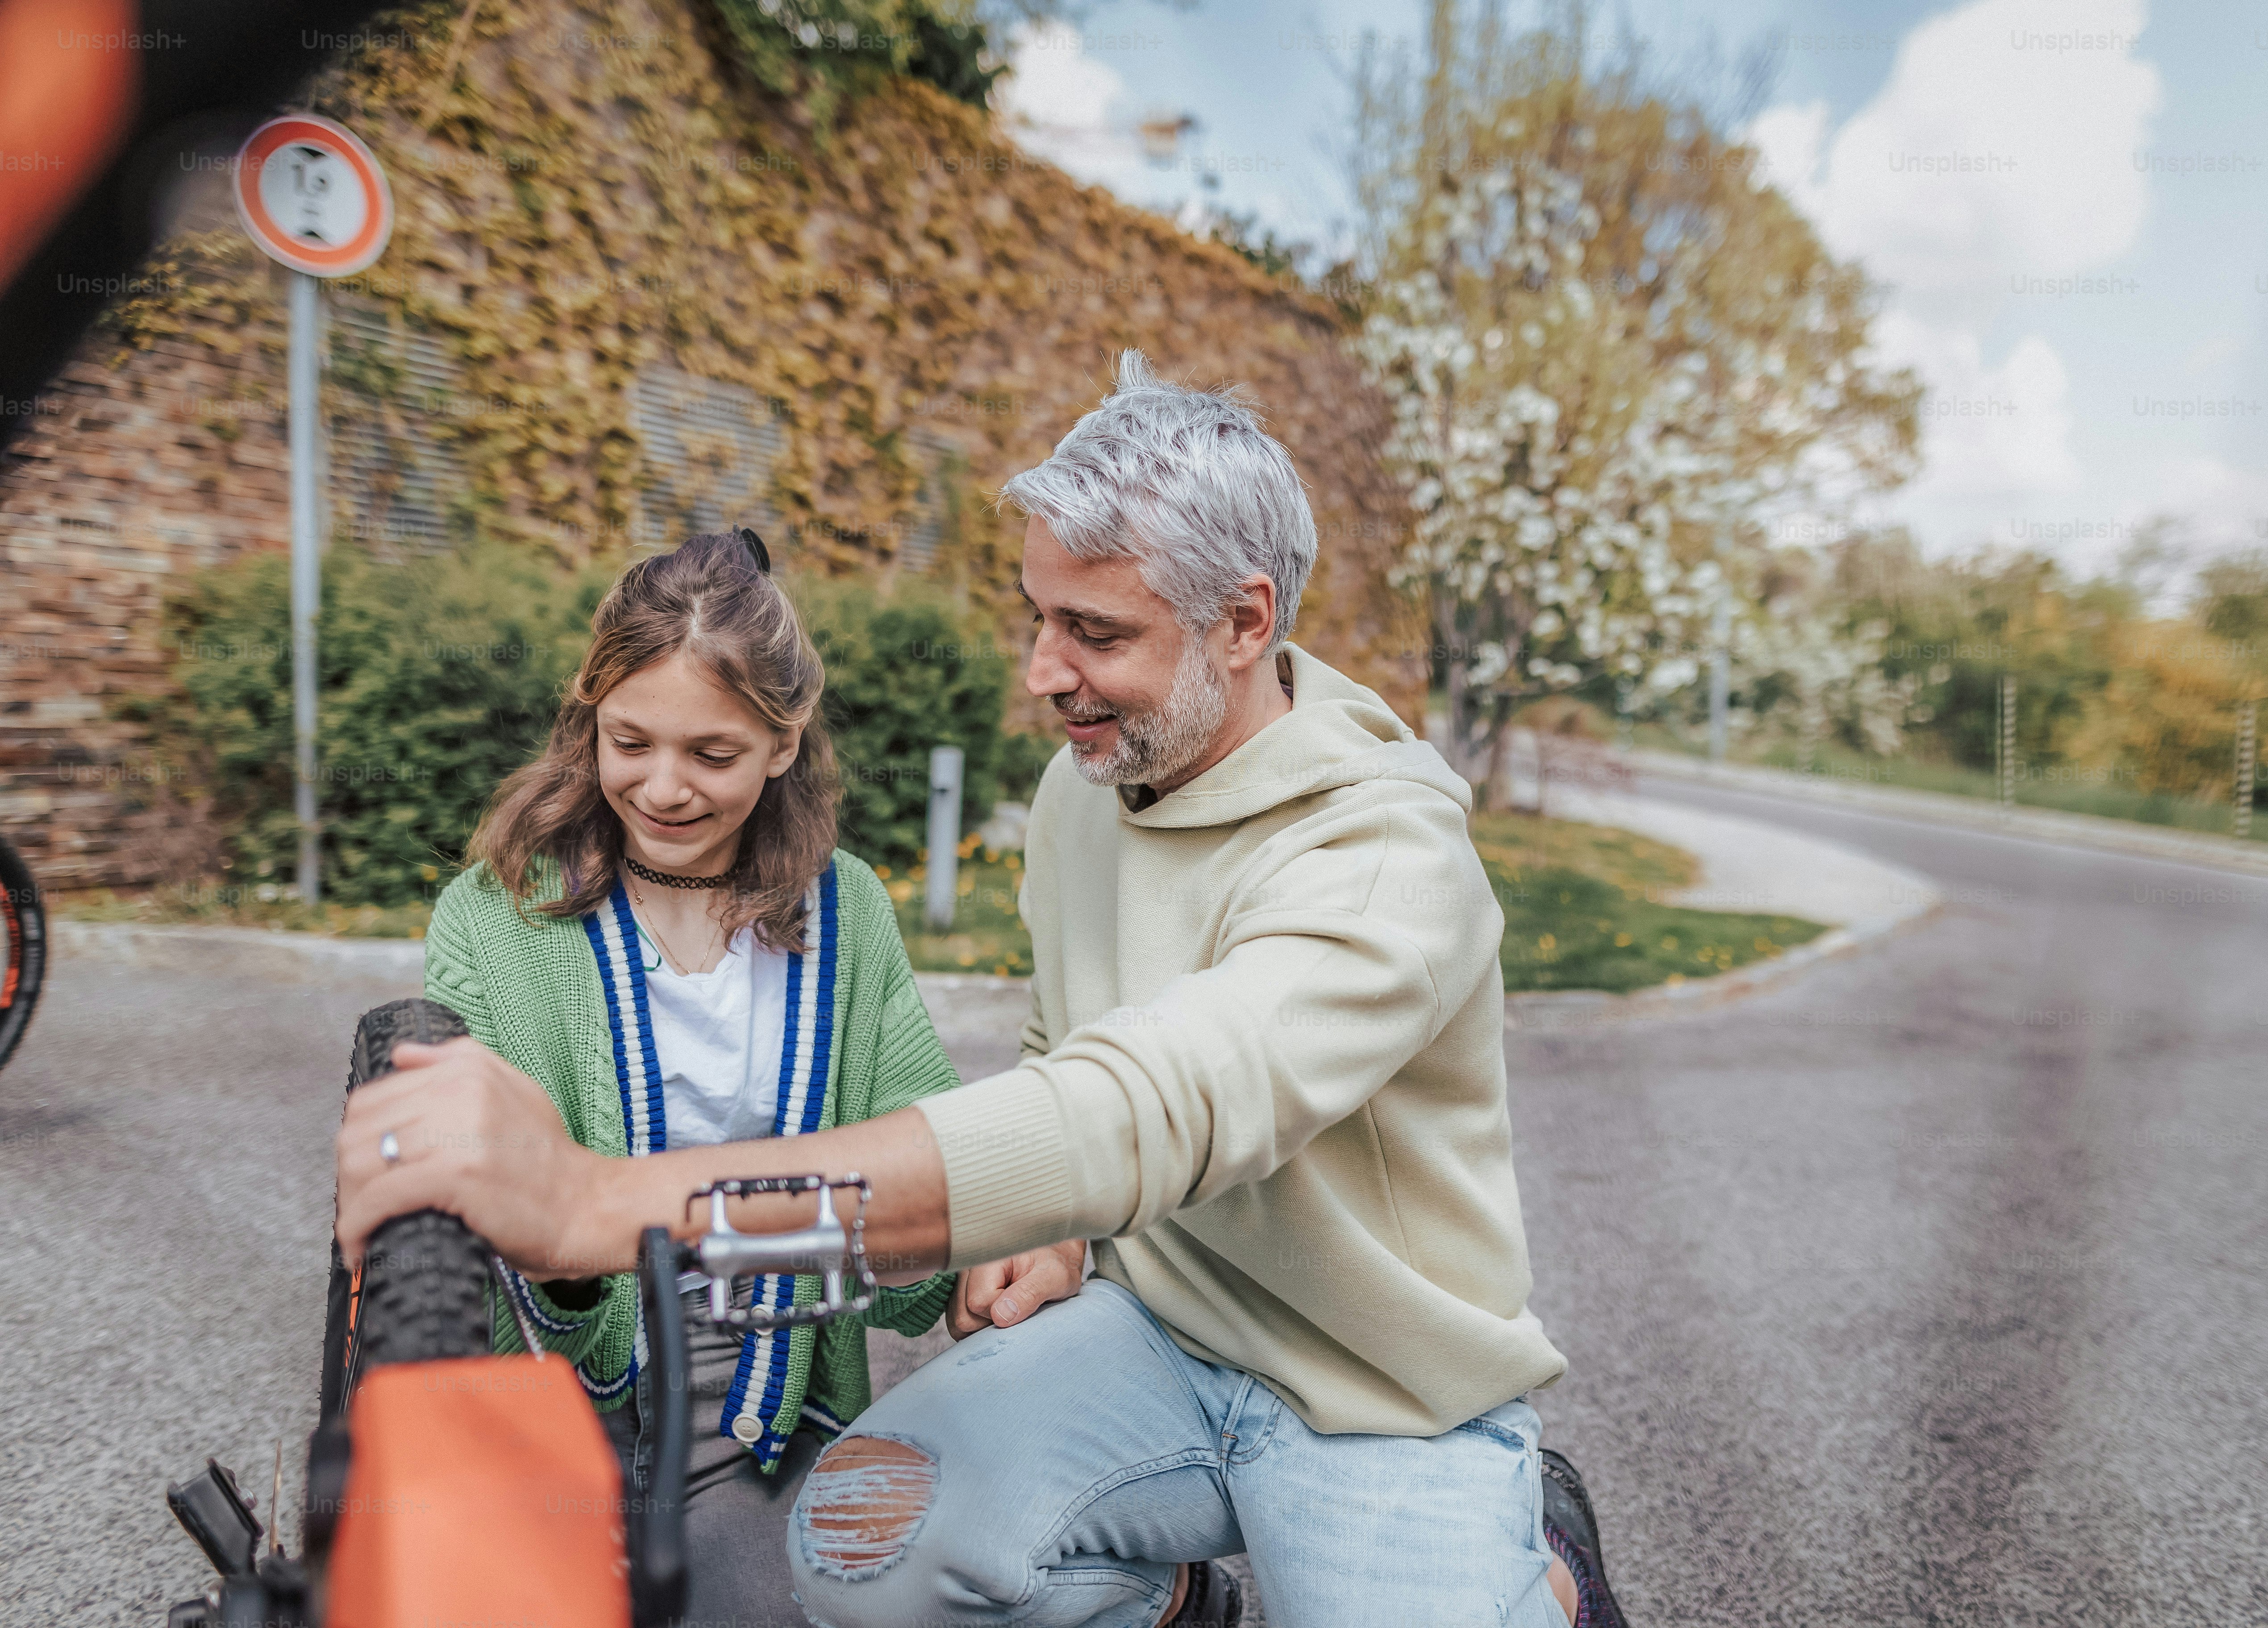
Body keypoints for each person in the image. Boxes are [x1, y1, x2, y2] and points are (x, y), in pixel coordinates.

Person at [337, 357, 1626, 1628]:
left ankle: (1545, 1570)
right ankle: (1175, 1607)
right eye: (1040, 618)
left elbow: (1151, 1106)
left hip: (1373, 1393)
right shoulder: (1091, 787)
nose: (1041, 673)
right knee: (855, 1550)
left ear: (1244, 623)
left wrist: (601, 1202)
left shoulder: (1385, 853)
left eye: (1095, 633)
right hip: (1156, 1339)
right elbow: (1071, 1049)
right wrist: (1056, 1229)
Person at [407, 527, 1084, 1627]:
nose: (662, 789)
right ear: (590, 721)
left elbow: (919, 1186)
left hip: (753, 1400)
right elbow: (469, 1241)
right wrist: (573, 1272)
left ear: (783, 742)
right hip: (543, 1388)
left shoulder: (846, 911)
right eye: (629, 741)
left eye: (712, 755)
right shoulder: (497, 915)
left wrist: (1000, 1228)